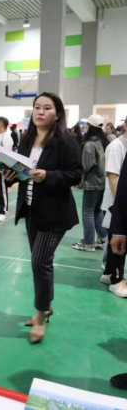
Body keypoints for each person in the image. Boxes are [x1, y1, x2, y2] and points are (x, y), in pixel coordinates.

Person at [3, 92, 82, 344]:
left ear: (57, 114)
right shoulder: (27, 139)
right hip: (30, 210)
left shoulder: (66, 142)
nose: (40, 112)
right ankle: (45, 306)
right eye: (37, 107)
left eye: (47, 108)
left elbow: (76, 175)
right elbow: (23, 171)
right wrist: (10, 177)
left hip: (54, 213)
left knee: (40, 262)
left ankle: (40, 314)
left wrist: (48, 176)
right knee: (39, 262)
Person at [72, 114, 109, 252]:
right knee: (97, 211)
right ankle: (103, 239)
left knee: (87, 212)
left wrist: (78, 180)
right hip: (102, 182)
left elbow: (86, 166)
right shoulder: (103, 142)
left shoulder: (89, 145)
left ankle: (88, 244)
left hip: (93, 183)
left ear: (90, 127)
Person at [100, 118, 127, 297]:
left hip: (121, 204)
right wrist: (120, 207)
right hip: (115, 204)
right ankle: (116, 280)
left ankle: (108, 274)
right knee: (118, 241)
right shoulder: (116, 146)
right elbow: (114, 177)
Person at [0, 117, 14, 222]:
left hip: (1, 168)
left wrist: (3, 167)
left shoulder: (7, 138)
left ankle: (3, 211)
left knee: (2, 190)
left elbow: (7, 154)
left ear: (0, 125)